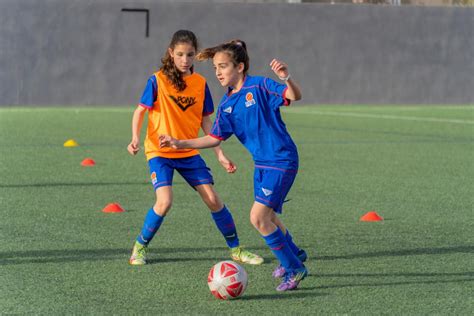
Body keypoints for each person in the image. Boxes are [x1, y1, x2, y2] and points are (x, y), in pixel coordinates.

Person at [160, 40, 308, 291]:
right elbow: (214, 138)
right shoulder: (227, 105)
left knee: (258, 218)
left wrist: (287, 78)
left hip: (281, 159)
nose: (218, 72)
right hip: (262, 164)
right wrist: (179, 142)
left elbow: (294, 95)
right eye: (216, 67)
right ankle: (294, 255)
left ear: (240, 66)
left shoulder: (259, 85)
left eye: (223, 66)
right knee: (269, 215)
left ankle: (295, 269)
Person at [127, 30, 263, 267]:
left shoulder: (200, 84)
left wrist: (219, 153)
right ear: (171, 53)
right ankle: (139, 247)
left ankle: (237, 249)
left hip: (188, 152)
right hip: (160, 153)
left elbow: (206, 122)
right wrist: (134, 139)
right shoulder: (157, 80)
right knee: (165, 201)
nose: (185, 60)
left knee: (212, 199)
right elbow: (140, 111)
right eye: (179, 54)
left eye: (190, 55)